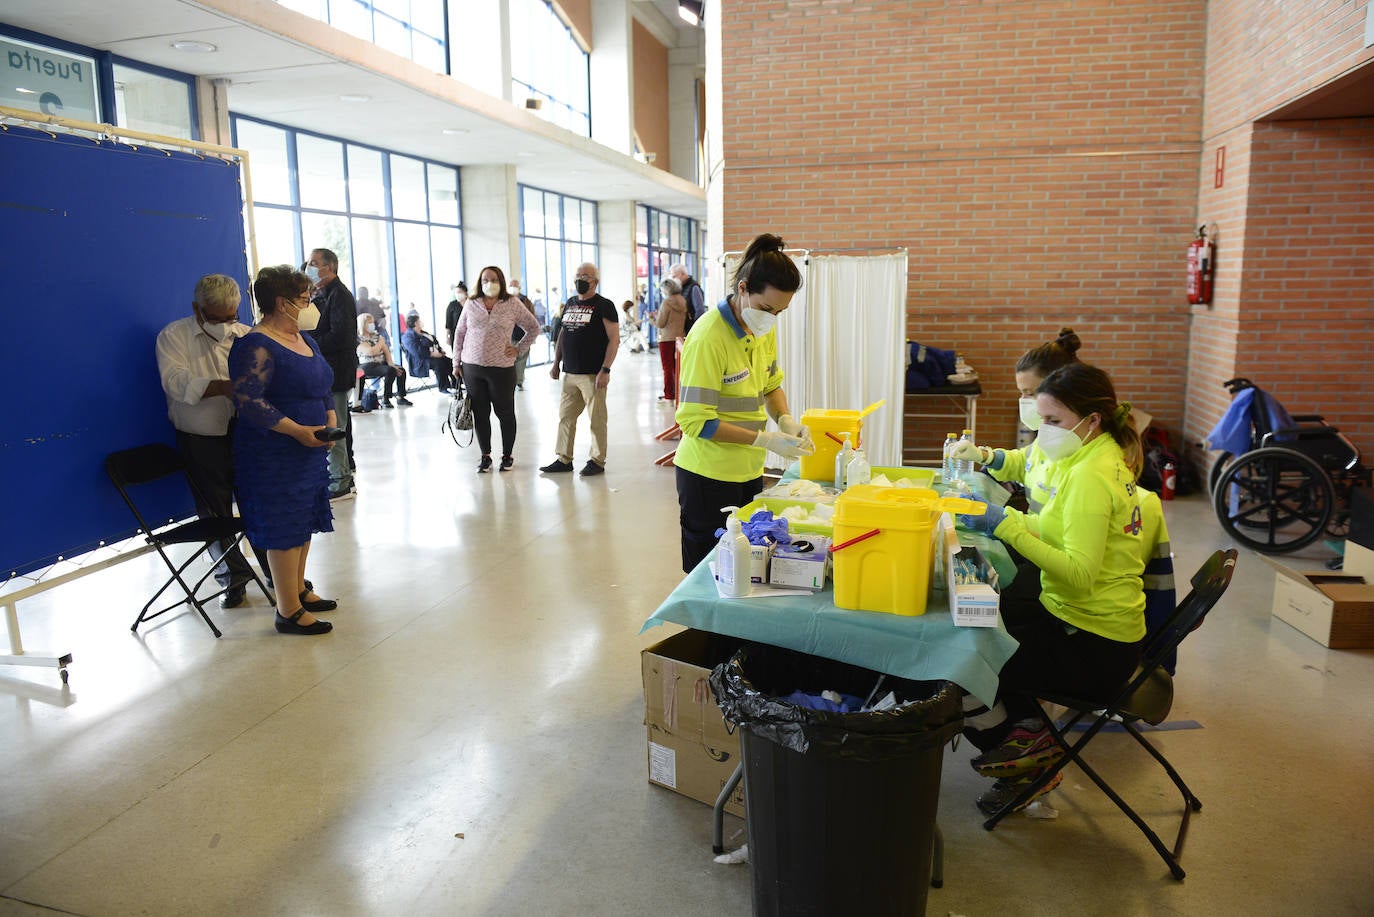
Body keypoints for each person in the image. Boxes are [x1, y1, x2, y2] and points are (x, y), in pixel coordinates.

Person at [953, 362, 1146, 815]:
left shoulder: (1088, 476)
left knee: (962, 661)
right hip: (1081, 618)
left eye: (1054, 421)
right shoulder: (1089, 456)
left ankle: (1028, 768)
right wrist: (1007, 520)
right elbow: (1056, 526)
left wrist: (1009, 528)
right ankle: (1026, 736)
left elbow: (1078, 572)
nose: (1044, 431)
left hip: (1094, 643)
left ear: (1091, 420)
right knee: (982, 623)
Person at [672, 234, 812, 572]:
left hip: (749, 471)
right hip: (707, 475)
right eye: (768, 308)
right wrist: (765, 439)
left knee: (746, 566)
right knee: (710, 573)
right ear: (744, 288)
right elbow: (695, 421)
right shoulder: (709, 337)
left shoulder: (761, 327)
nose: (772, 317)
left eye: (780, 311)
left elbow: (771, 384)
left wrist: (786, 420)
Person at [228, 265, 339, 636]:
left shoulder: (306, 338)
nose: (311, 306)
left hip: (310, 447)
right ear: (282, 303)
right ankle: (287, 609)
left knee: (303, 518)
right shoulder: (255, 344)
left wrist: (330, 419)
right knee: (283, 523)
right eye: (305, 300)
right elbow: (250, 401)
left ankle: (298, 589)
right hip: (272, 451)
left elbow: (323, 383)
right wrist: (296, 432)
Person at [155, 273, 271, 609]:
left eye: (230, 316)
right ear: (197, 308)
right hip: (200, 436)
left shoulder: (246, 334)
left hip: (245, 433)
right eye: (216, 318)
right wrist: (225, 386)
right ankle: (232, 580)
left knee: (257, 504)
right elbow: (174, 382)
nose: (224, 324)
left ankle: (273, 570)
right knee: (214, 512)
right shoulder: (173, 336)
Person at [451, 266, 541, 472]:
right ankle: (485, 456)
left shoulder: (512, 304)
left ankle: (507, 455)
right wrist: (456, 362)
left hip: (501, 368)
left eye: (493, 279)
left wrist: (518, 349)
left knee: (505, 413)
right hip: (472, 367)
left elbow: (534, 327)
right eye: (484, 279)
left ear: (500, 281)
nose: (488, 283)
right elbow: (460, 332)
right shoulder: (472, 303)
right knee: (480, 413)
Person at [539, 262, 620, 477]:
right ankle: (563, 459)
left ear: (595, 281)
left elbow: (614, 339)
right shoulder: (571, 303)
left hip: (593, 374)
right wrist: (556, 363)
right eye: (578, 275)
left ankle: (597, 460)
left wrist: (606, 369)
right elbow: (563, 335)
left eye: (585, 275)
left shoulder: (604, 305)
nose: (580, 279)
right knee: (565, 417)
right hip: (570, 372)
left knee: (596, 419)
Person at [304, 248, 358, 500]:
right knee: (336, 422)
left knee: (335, 425)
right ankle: (342, 473)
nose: (309, 266)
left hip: (337, 369)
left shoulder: (340, 296)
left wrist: (311, 342)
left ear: (330, 267)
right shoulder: (322, 295)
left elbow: (341, 335)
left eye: (314, 263)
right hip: (326, 369)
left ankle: (341, 482)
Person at [355, 313, 411, 408]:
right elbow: (371, 352)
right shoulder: (358, 338)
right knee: (389, 371)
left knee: (399, 369)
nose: (372, 324)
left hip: (380, 363)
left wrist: (391, 364)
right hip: (366, 365)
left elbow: (386, 351)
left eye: (372, 322)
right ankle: (386, 399)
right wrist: (381, 343)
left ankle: (400, 397)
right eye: (369, 323)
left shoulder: (376, 336)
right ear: (363, 324)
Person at [401, 310, 456, 393]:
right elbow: (417, 351)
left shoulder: (423, 333)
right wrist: (432, 354)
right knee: (439, 364)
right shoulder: (407, 337)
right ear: (415, 323)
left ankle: (455, 384)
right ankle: (443, 387)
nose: (421, 322)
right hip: (421, 361)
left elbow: (434, 342)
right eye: (419, 321)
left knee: (450, 362)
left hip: (434, 356)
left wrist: (440, 350)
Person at [652, 276, 688, 402]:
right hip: (679, 338)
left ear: (666, 289)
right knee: (678, 367)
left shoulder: (666, 303)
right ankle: (680, 393)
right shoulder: (682, 300)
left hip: (666, 339)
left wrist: (652, 318)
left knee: (667, 368)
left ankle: (669, 394)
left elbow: (661, 323)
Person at [508, 279, 538, 390]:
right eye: (510, 285)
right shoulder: (505, 300)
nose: (512, 287)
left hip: (523, 335)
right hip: (509, 336)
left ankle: (519, 381)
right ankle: (511, 380)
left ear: (519, 287)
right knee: (510, 359)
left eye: (514, 286)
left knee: (521, 360)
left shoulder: (525, 301)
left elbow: (533, 319)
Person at [445, 281, 468, 352]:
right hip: (455, 335)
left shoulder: (471, 304)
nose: (458, 294)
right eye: (456, 293)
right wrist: (447, 337)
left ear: (465, 293)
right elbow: (448, 323)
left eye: (460, 292)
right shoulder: (452, 305)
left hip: (469, 334)